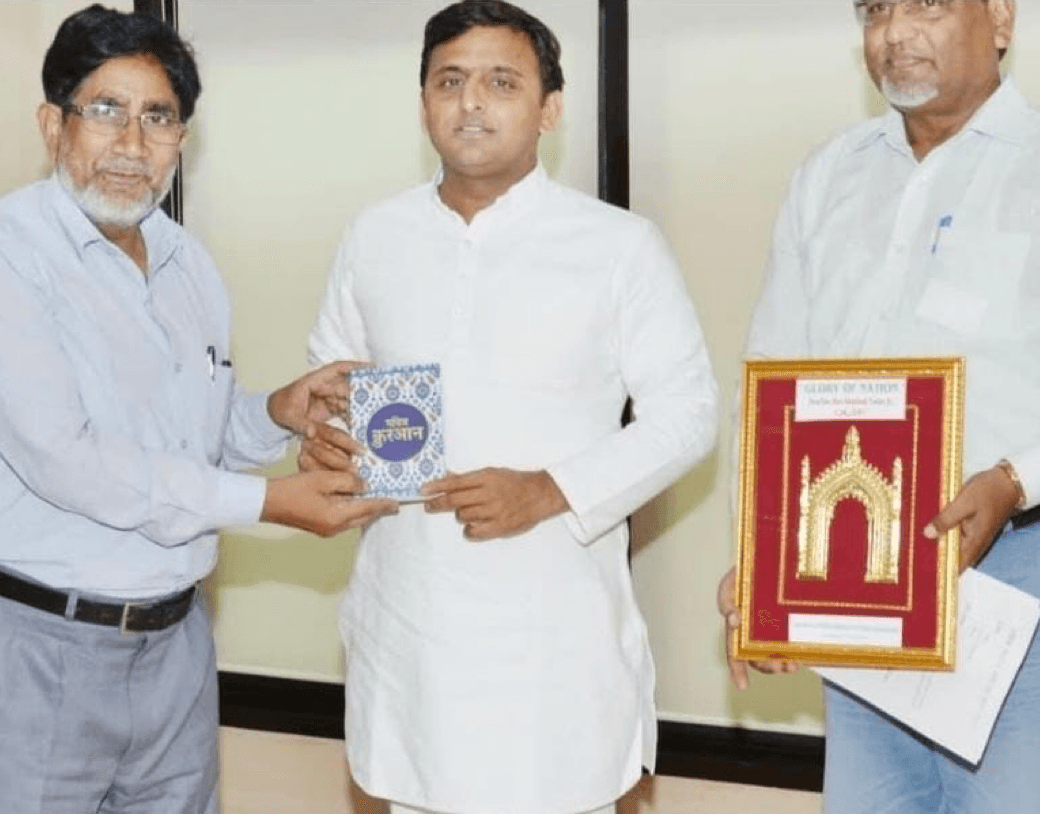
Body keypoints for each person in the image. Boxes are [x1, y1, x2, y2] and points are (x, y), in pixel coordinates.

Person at [303, 2, 718, 812]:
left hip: (550, 648)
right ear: (423, 100)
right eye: (449, 81)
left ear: (549, 109)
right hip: (410, 634)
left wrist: (551, 488)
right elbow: (332, 380)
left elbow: (690, 413)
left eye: (501, 82)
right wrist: (326, 442)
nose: (471, 103)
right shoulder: (374, 235)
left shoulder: (617, 245)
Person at [0, 5, 394, 813]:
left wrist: (277, 412)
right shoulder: (12, 256)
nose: (132, 145)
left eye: (159, 118)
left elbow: (193, 439)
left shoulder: (188, 268)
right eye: (105, 110)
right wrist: (272, 504)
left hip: (179, 647)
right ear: (53, 124)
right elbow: (64, 458)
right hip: (42, 648)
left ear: (183, 139)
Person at [718, 0, 1040, 811]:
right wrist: (761, 563)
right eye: (874, 9)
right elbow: (772, 373)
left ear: (1000, 19)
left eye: (925, 4)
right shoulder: (827, 175)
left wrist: (1014, 479)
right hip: (857, 568)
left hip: (1017, 569)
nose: (894, 32)